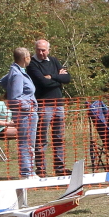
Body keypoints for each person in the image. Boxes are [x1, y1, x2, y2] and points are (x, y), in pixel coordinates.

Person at [28, 37, 72, 176]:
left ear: (48, 50)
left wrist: (51, 76)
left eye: (43, 50)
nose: (41, 53)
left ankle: (60, 167)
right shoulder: (32, 64)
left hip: (59, 104)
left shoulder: (53, 61)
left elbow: (67, 78)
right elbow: (42, 82)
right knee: (42, 138)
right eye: (38, 50)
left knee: (59, 137)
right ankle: (41, 169)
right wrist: (58, 78)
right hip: (43, 105)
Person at [0, 47, 40, 178]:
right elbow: (15, 98)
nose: (30, 59)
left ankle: (29, 171)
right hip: (25, 114)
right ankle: (27, 173)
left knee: (28, 143)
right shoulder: (17, 74)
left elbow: (2, 81)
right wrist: (29, 106)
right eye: (29, 56)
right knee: (27, 143)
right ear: (25, 58)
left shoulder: (16, 71)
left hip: (25, 114)